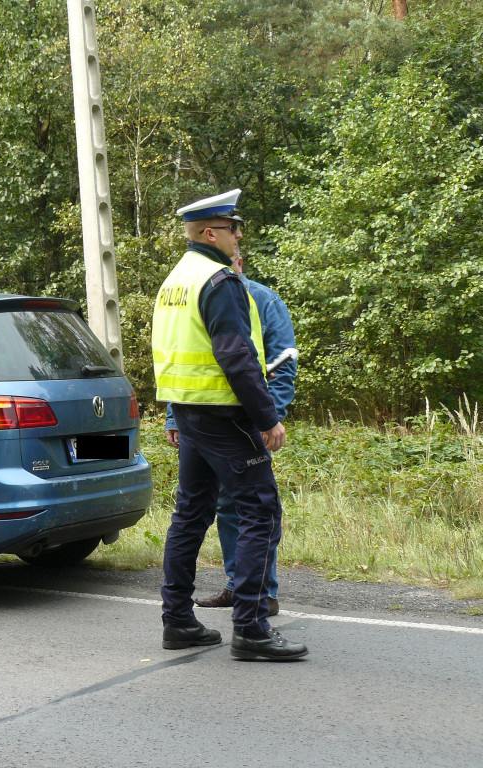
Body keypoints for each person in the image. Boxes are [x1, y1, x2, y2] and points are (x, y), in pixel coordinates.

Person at [151, 188, 307, 661]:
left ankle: (177, 620)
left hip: (190, 414)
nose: (240, 236)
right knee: (262, 511)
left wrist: (176, 414)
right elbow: (236, 356)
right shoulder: (219, 280)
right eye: (234, 228)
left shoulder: (175, 280)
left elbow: (171, 356)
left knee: (191, 514)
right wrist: (267, 418)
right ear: (210, 232)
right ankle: (253, 629)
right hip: (225, 415)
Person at [166, 252, 297, 616]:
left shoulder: (263, 299)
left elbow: (282, 366)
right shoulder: (206, 288)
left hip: (241, 419)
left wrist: (268, 419)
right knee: (228, 508)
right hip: (206, 416)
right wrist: (172, 418)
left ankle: (259, 596)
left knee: (246, 510)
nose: (232, 262)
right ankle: (239, 594)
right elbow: (180, 360)